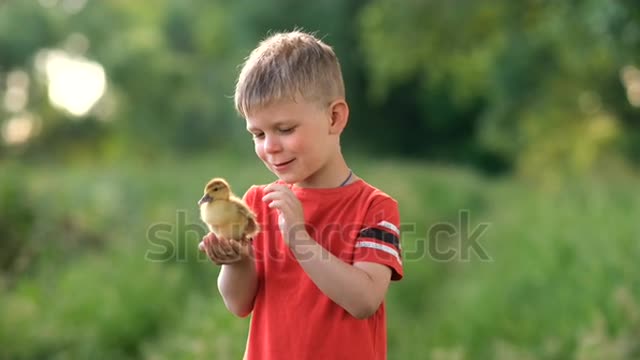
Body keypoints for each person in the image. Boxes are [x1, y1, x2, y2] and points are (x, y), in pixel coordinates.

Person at [199, 30, 403, 360]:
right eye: (258, 133)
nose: (270, 147)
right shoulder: (256, 204)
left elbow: (364, 300)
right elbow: (238, 303)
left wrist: (298, 239)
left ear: (334, 117)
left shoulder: (374, 208)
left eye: (285, 129)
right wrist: (237, 262)